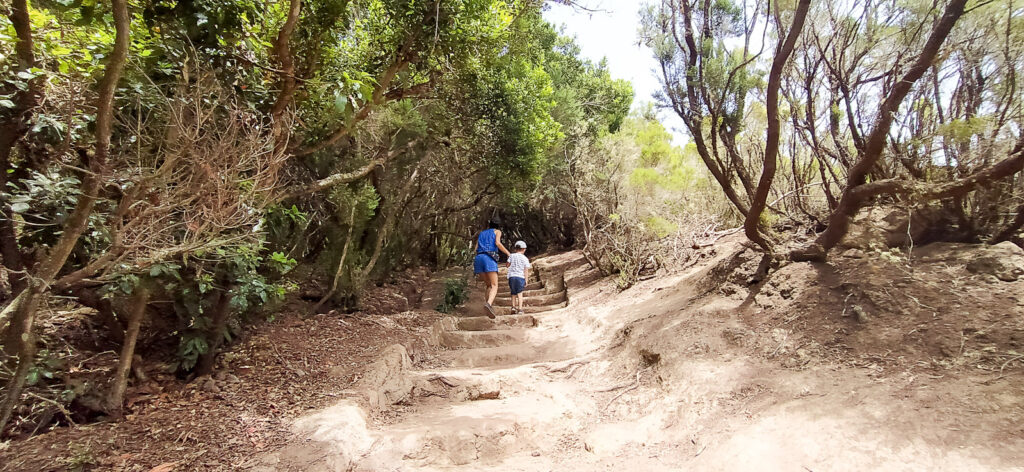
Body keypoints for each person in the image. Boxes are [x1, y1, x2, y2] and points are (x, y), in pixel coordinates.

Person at [473, 217, 510, 318]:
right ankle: (488, 304)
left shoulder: (481, 233)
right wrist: (508, 253)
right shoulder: (497, 231)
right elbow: (497, 243)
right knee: (494, 285)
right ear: (498, 225)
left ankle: (487, 306)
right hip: (489, 258)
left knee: (488, 285)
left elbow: (476, 248)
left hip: (478, 258)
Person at [506, 241, 532, 314]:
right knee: (520, 293)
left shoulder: (511, 256)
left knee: (513, 293)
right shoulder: (525, 258)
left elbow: (507, 265)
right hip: (520, 277)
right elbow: (526, 270)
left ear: (515, 249)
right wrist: (526, 280)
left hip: (511, 277)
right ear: (524, 249)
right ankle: (520, 309)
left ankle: (513, 307)